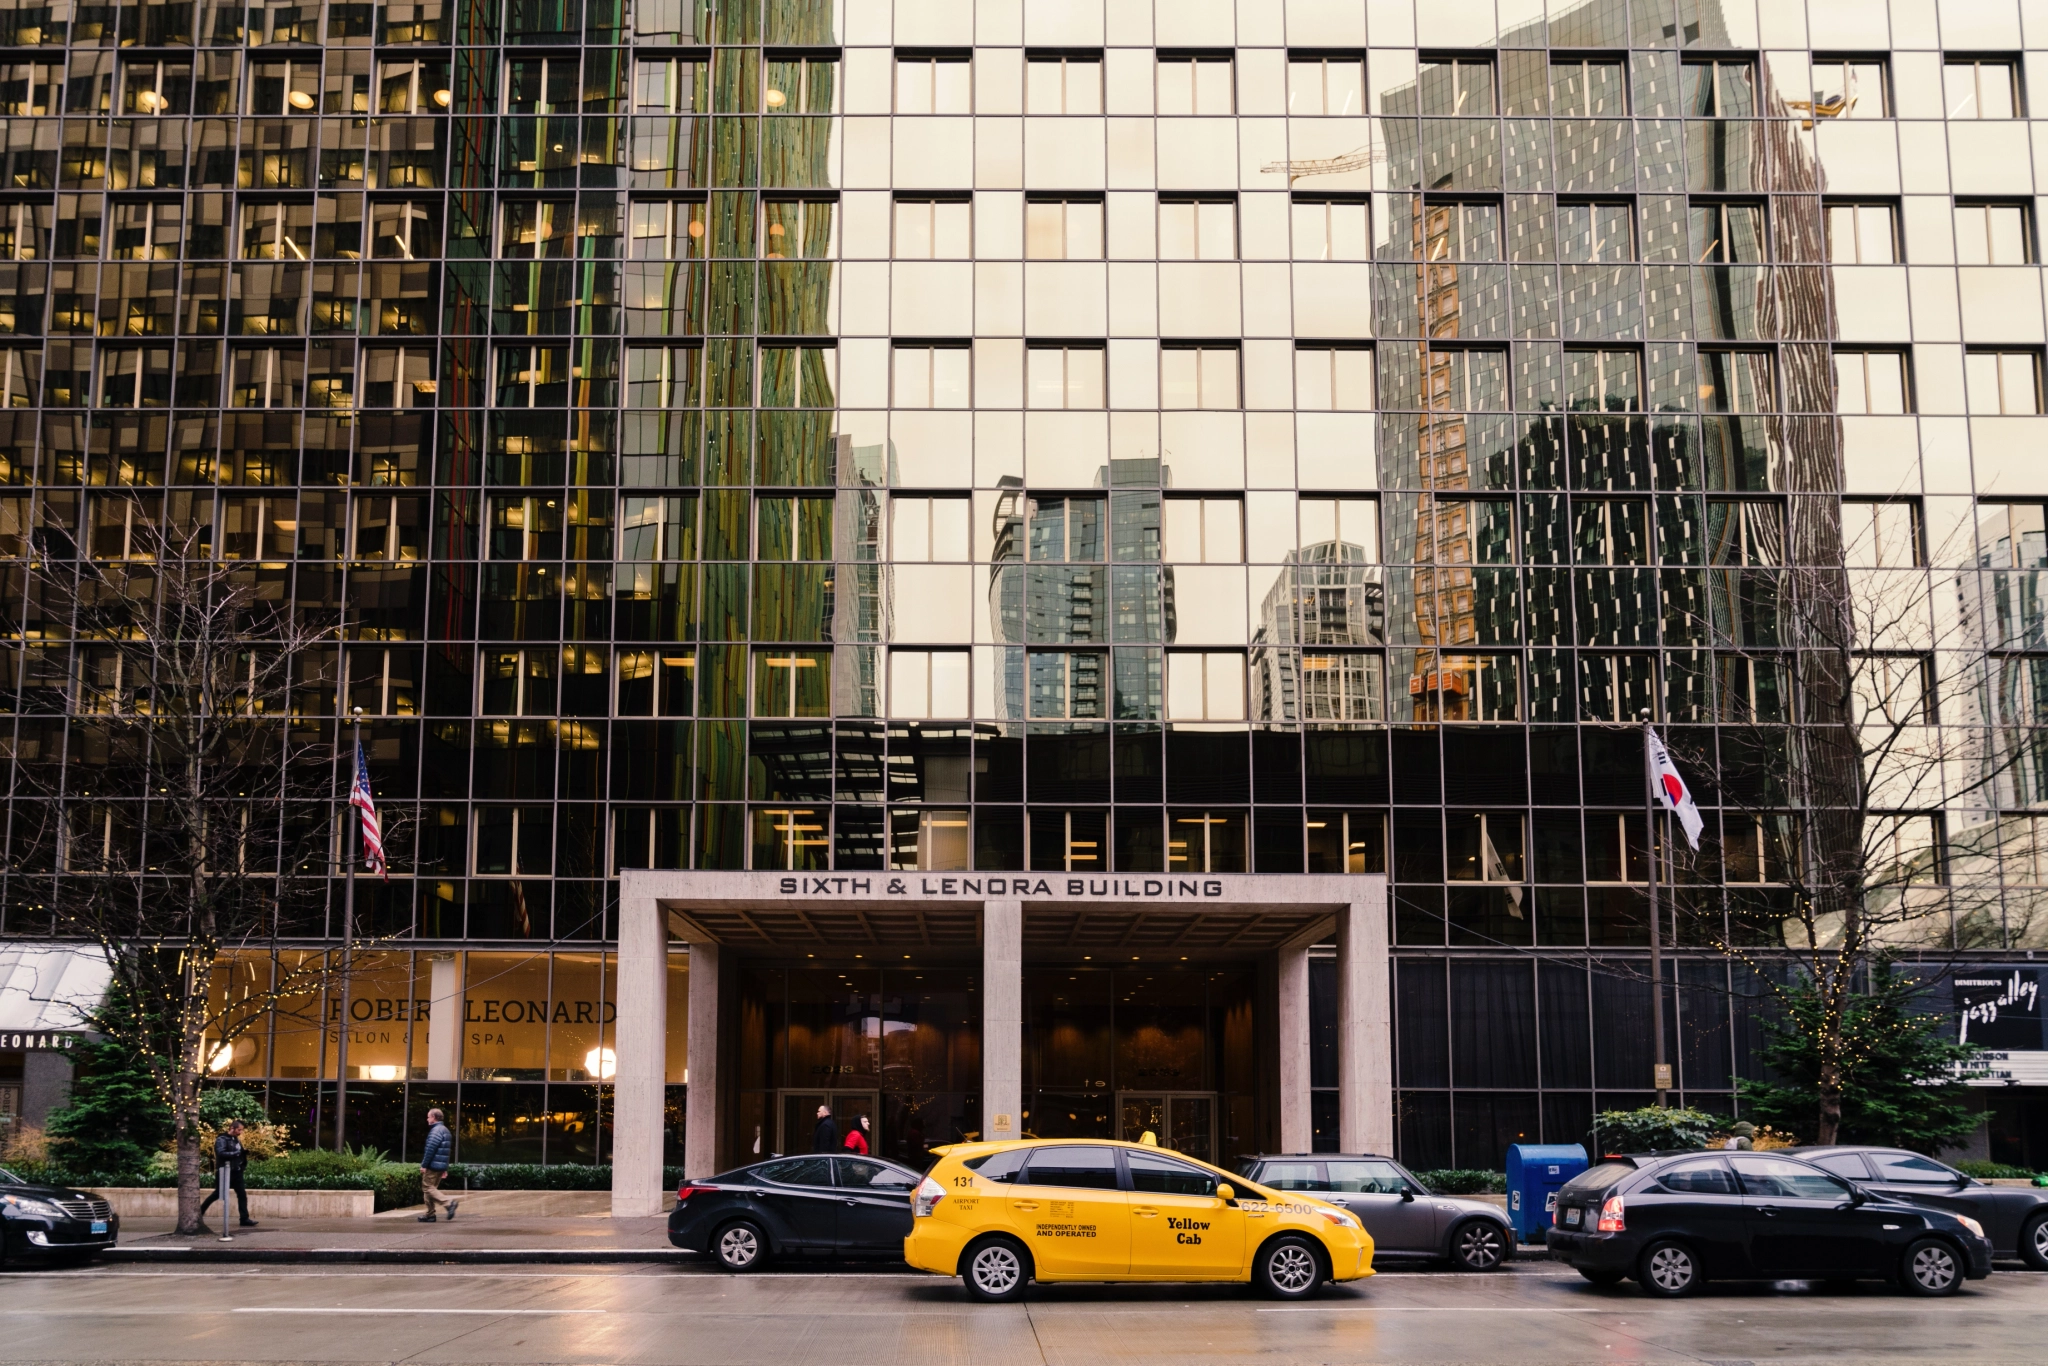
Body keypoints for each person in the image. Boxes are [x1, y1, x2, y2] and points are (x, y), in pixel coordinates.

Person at [197, 1119, 256, 1230]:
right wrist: (236, 1153)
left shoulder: (236, 1140)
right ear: (232, 1128)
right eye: (239, 1129)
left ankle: (244, 1219)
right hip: (225, 1171)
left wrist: (243, 1157)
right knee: (217, 1194)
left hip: (236, 1171)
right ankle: (199, 1213)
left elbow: (240, 1154)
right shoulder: (222, 1139)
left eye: (241, 1130)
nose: (240, 1132)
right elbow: (221, 1153)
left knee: (242, 1194)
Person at [418, 1108, 460, 1223]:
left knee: (427, 1187)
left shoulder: (436, 1131)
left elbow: (430, 1150)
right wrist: (444, 1168)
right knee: (430, 1189)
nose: (427, 1119)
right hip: (439, 1166)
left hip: (432, 1165)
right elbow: (446, 1152)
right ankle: (430, 1215)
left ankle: (449, 1204)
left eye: (428, 1117)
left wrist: (424, 1165)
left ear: (434, 1118)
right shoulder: (445, 1130)